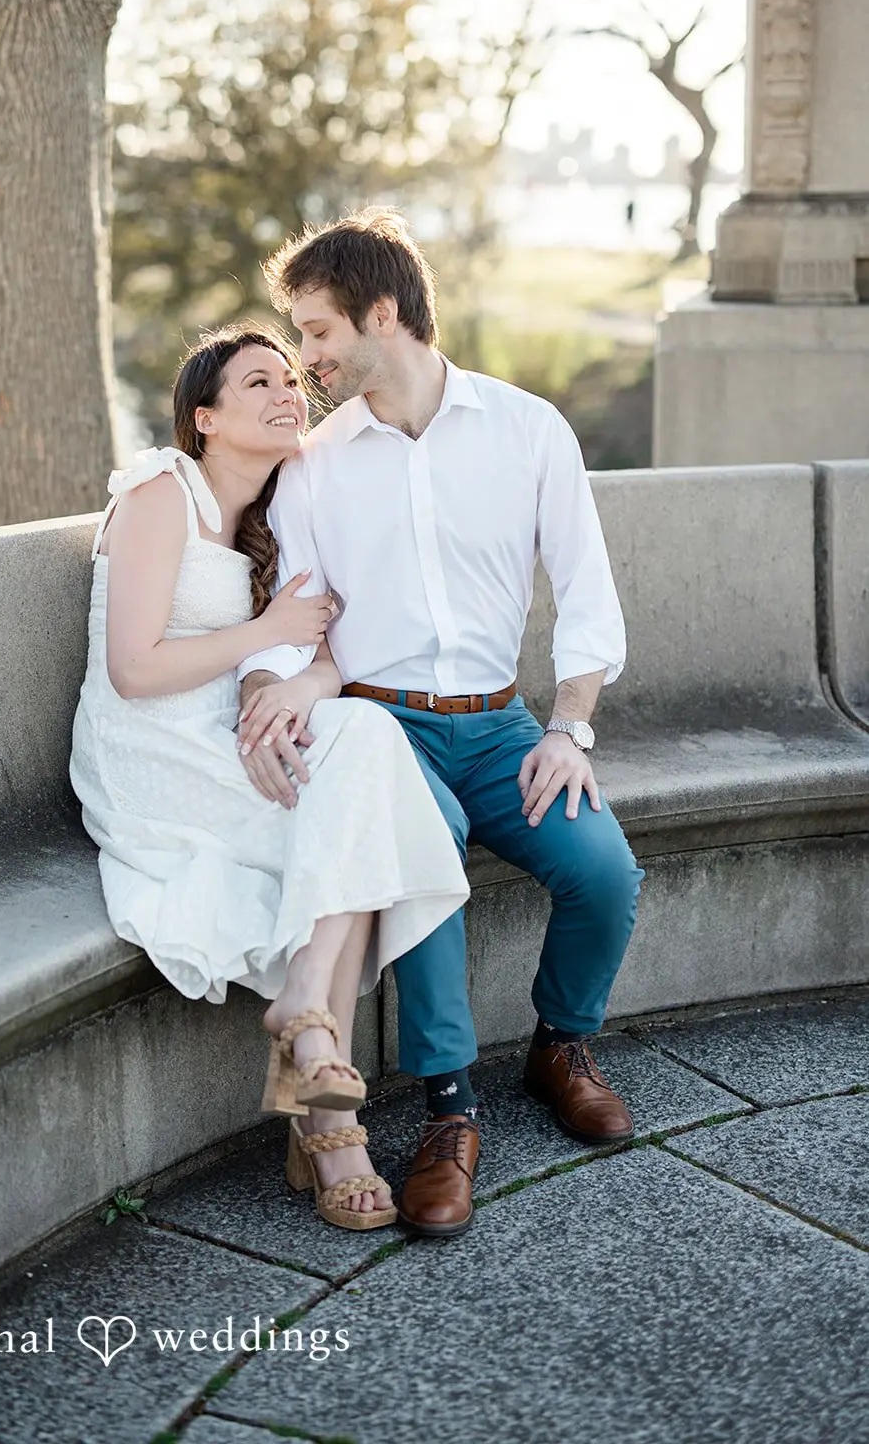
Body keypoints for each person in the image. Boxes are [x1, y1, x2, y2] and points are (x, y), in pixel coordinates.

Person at [235, 210, 646, 1239]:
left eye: (320, 331)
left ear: (385, 314)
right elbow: (298, 608)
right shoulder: (318, 462)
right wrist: (276, 689)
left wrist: (571, 729)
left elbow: (588, 592)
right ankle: (450, 1113)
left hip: (504, 729)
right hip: (383, 733)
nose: (308, 358)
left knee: (603, 870)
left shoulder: (527, 427)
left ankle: (561, 1044)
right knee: (426, 876)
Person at [69, 323, 468, 1232]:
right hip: (149, 749)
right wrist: (262, 638)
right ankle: (335, 1139)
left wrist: (294, 690)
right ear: (204, 417)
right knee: (354, 829)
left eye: (291, 377)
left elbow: (331, 655)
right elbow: (132, 670)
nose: (288, 391)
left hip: (230, 730)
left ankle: (307, 1031)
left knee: (360, 748)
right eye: (258, 382)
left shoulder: (287, 511)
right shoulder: (161, 494)